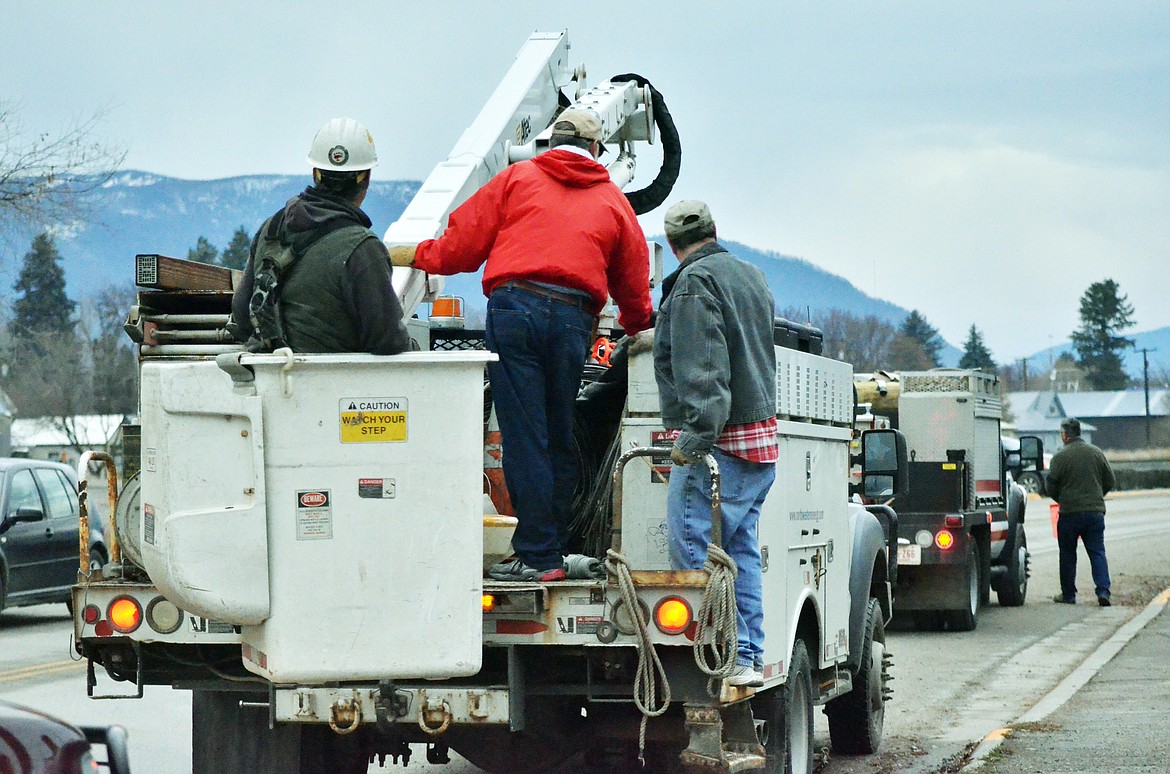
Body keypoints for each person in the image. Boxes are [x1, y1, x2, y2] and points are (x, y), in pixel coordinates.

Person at [389, 108, 652, 582]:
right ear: (597, 151)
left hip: (515, 311)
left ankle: (538, 555)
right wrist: (639, 327)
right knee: (558, 432)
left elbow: (461, 248)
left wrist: (418, 253)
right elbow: (633, 282)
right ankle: (553, 549)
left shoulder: (517, 179)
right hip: (573, 318)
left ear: (550, 144)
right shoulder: (613, 201)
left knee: (524, 434)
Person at [652, 200, 777, 687]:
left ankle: (725, 650)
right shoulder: (750, 276)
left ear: (672, 245)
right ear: (714, 231)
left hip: (718, 445)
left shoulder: (693, 284)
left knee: (693, 550)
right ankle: (747, 653)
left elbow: (705, 370)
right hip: (759, 441)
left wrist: (693, 438)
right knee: (740, 551)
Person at [229, 117, 411, 355]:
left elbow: (242, 317)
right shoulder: (363, 249)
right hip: (335, 386)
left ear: (316, 173)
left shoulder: (271, 229)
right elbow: (388, 342)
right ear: (366, 177)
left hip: (269, 381)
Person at [1047, 417, 1116, 606]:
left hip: (1070, 513)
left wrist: (1062, 499)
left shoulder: (1060, 457)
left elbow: (1050, 486)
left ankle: (1068, 594)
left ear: (1065, 435)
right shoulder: (1096, 453)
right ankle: (1103, 591)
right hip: (1095, 513)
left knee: (1068, 553)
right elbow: (1110, 480)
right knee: (1097, 552)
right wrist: (1096, 496)